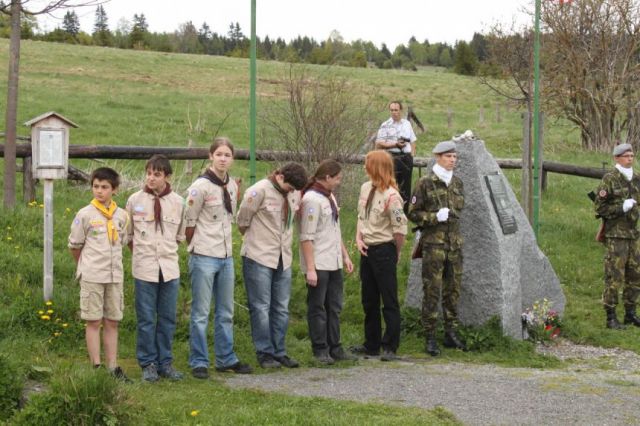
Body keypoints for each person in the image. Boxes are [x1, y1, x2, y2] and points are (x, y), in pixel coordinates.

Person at [185, 137, 252, 379]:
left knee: (226, 311)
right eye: (219, 154)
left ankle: (226, 358)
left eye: (227, 155)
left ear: (232, 159)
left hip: (226, 256)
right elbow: (189, 222)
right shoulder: (199, 187)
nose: (223, 158)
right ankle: (199, 361)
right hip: (204, 254)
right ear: (211, 156)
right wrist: (194, 247)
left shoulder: (232, 186)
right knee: (201, 313)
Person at [237, 162, 308, 369]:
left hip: (283, 257)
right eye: (290, 187)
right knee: (260, 307)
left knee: (281, 308)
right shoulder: (258, 191)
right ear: (280, 177)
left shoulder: (294, 193)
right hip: (259, 256)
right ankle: (264, 352)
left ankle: (280, 351)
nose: (292, 192)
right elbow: (242, 221)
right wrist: (256, 241)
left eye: (295, 190)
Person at [126, 155, 185, 382]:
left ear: (167, 177)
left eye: (157, 174)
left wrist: (164, 255)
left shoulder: (178, 202)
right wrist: (143, 255)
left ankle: (165, 362)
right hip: (144, 269)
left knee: (168, 318)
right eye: (149, 173)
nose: (151, 178)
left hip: (169, 269)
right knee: (146, 318)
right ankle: (147, 363)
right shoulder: (134, 201)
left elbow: (179, 236)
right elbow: (129, 236)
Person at [68, 167, 130, 380]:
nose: (99, 191)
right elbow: (75, 246)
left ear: (114, 189)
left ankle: (113, 367)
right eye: (96, 186)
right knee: (93, 321)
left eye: (104, 187)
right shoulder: (84, 214)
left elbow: (123, 241)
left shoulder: (121, 216)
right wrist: (85, 266)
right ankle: (96, 366)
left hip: (114, 276)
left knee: (112, 321)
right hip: (93, 275)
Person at [408, 141, 467, 356]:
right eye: (449, 156)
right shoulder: (425, 182)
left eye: (454, 156)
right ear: (438, 157)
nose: (453, 160)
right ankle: (430, 336)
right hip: (434, 246)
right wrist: (434, 217)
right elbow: (412, 213)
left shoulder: (457, 183)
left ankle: (451, 332)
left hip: (454, 246)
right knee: (432, 291)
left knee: (453, 291)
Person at [298, 160, 355, 365]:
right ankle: (320, 348)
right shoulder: (312, 199)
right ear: (328, 177)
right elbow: (306, 236)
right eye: (338, 178)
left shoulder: (328, 196)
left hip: (334, 260)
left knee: (334, 305)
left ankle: (335, 345)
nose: (339, 182)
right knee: (318, 307)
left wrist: (345, 255)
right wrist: (310, 269)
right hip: (319, 262)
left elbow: (334, 230)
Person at [352, 150, 407, 361]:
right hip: (367, 248)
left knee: (389, 299)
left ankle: (390, 345)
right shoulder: (366, 188)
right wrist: (358, 238)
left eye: (368, 164)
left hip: (384, 248)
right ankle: (371, 343)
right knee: (369, 299)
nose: (365, 168)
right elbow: (361, 216)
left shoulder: (392, 196)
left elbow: (400, 229)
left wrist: (396, 252)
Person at [594, 143, 640, 329]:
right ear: (617, 158)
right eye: (626, 155)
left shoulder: (636, 178)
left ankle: (631, 313)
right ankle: (611, 316)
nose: (630, 158)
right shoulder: (610, 179)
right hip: (616, 235)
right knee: (615, 275)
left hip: (633, 234)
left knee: (635, 274)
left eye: (631, 155)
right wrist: (621, 207)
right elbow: (599, 207)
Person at [375, 100, 418, 213]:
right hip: (392, 157)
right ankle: (390, 211)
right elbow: (379, 143)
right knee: (391, 185)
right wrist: (394, 144)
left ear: (401, 111)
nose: (394, 112)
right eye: (392, 110)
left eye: (396, 110)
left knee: (405, 187)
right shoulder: (385, 125)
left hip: (406, 157)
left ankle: (403, 213)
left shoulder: (407, 124)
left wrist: (412, 153)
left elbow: (413, 140)